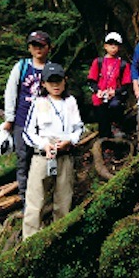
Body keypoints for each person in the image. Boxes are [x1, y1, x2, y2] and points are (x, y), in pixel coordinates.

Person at [22, 63, 84, 239]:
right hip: (42, 157)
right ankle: (30, 241)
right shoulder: (38, 102)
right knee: (35, 200)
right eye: (51, 82)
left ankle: (60, 238)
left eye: (58, 81)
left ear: (65, 81)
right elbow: (28, 132)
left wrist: (70, 141)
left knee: (64, 199)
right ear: (43, 84)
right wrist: (44, 144)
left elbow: (78, 127)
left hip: (65, 155)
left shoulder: (70, 102)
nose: (55, 85)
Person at [3, 30, 51, 205]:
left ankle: (43, 196)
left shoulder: (51, 68)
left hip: (44, 125)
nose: (38, 49)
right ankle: (26, 200)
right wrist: (9, 118)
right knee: (23, 160)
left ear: (48, 47)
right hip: (22, 122)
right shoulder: (22, 66)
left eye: (42, 45)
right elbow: (11, 92)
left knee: (44, 160)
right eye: (34, 45)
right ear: (30, 48)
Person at [87, 32, 132, 138]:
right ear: (105, 46)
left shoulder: (123, 64)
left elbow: (126, 85)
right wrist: (98, 91)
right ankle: (104, 138)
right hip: (100, 97)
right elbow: (91, 81)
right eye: (110, 44)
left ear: (119, 47)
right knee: (101, 117)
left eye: (115, 44)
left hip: (115, 97)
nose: (113, 47)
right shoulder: (98, 62)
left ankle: (116, 127)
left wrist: (115, 92)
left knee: (115, 106)